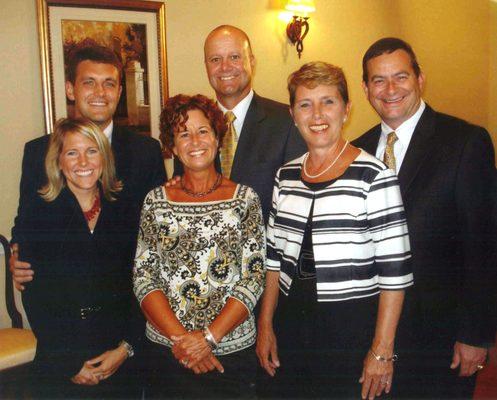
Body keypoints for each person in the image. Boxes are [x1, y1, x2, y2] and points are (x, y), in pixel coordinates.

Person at [256, 61, 413, 399]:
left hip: (349, 330)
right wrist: (265, 324)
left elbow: (395, 274)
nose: (317, 114)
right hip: (291, 323)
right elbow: (273, 259)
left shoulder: (374, 176)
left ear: (346, 109)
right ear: (293, 114)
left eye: (328, 101)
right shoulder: (286, 176)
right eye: (305, 104)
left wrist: (381, 352)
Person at [353, 37, 496, 399]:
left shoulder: (465, 141)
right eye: (379, 80)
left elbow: (484, 244)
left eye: (400, 77)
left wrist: (475, 334)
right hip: (370, 333)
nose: (390, 89)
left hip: (441, 339)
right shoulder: (355, 149)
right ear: (366, 89)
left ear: (420, 79)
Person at [133, 94, 266, 399]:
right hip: (168, 352)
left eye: (203, 131)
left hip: (230, 356)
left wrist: (208, 338)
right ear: (172, 145)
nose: (195, 141)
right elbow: (144, 277)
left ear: (218, 138)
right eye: (183, 133)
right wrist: (184, 341)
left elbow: (253, 278)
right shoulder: (156, 201)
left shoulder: (245, 199)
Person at [11, 43, 166, 290]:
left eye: (109, 83)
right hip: (63, 299)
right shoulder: (38, 152)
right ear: (71, 89)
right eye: (89, 82)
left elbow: (159, 225)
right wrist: (16, 254)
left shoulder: (146, 151)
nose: (100, 92)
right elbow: (26, 221)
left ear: (119, 91)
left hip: (130, 299)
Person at [17, 118, 140, 399]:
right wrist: (69, 363)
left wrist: (126, 348)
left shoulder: (126, 209)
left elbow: (140, 284)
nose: (83, 161)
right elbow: (35, 297)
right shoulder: (37, 212)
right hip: (60, 358)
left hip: (118, 355)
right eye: (72, 152)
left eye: (92, 151)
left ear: (104, 157)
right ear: (58, 161)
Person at [174, 25, 307, 223]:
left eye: (234, 57)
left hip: (266, 250)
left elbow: (296, 203)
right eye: (215, 59)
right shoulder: (189, 127)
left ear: (251, 61)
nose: (225, 67)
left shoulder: (286, 122)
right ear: (206, 66)